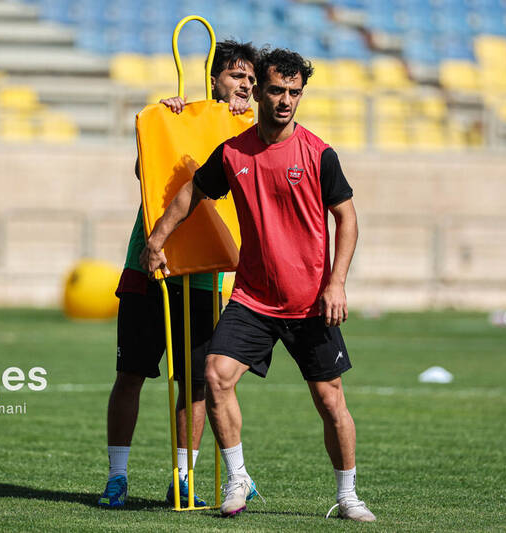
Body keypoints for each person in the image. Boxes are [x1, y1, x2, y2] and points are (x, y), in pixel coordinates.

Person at [140, 48, 376, 522]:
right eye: (276, 90)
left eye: (295, 92)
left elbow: (346, 219)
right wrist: (157, 240)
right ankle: (238, 477)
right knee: (215, 374)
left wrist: (337, 284)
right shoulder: (234, 152)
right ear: (260, 93)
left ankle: (349, 495)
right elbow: (191, 192)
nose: (286, 100)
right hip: (253, 298)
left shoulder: (319, 154)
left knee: (331, 402)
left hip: (310, 302)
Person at [98, 40, 259, 509]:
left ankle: (183, 477)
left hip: (206, 273)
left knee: (194, 383)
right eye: (235, 76)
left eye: (250, 79)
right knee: (131, 373)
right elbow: (143, 172)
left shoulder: (251, 131)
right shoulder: (178, 116)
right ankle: (117, 476)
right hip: (147, 264)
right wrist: (166, 123)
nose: (245, 86)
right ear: (214, 79)